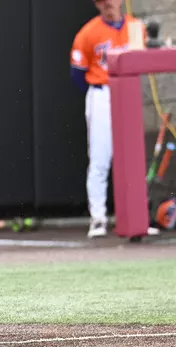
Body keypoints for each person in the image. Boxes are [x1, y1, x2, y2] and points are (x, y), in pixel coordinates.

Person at [70, 0, 153, 238]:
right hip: (101, 93)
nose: (107, 5)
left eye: (111, 1)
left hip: (129, 92)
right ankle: (98, 218)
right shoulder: (88, 32)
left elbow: (145, 60)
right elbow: (77, 74)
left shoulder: (136, 28)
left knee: (132, 158)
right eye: (101, 2)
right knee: (100, 157)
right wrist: (98, 94)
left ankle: (138, 218)